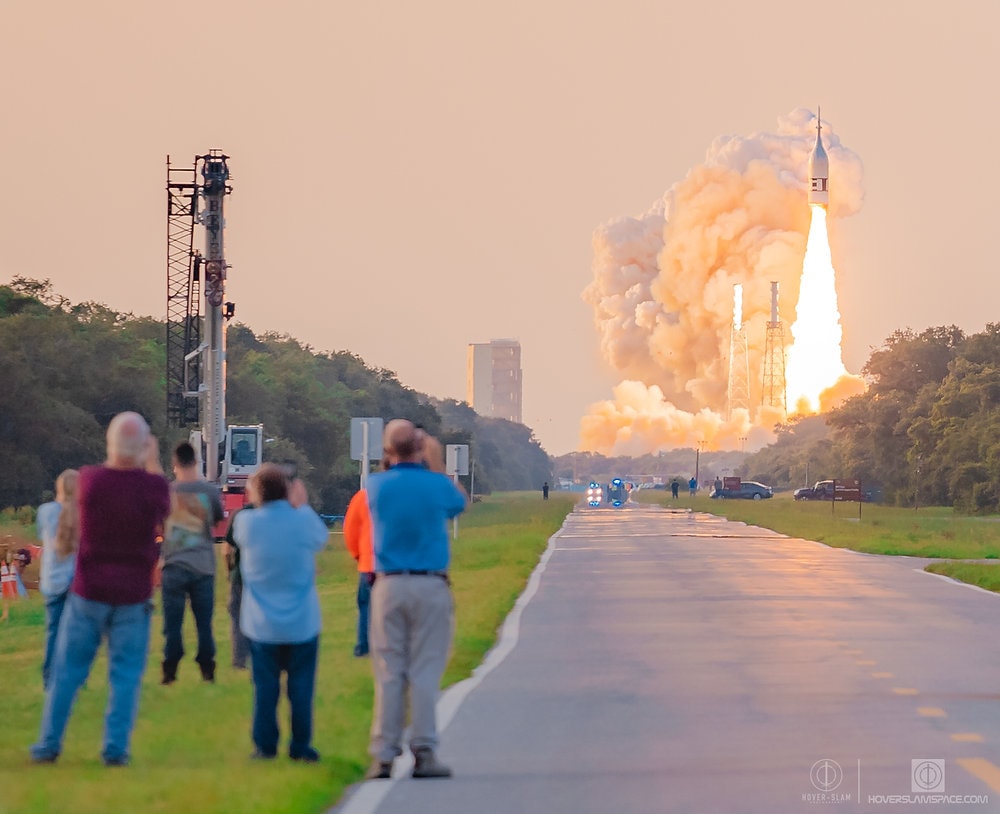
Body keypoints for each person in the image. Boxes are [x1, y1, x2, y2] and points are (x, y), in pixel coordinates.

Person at [30, 411, 170, 766]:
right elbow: (165, 512)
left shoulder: (90, 480)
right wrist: (151, 461)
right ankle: (115, 749)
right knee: (124, 676)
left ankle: (48, 745)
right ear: (141, 446)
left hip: (88, 591)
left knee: (68, 672)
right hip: (133, 594)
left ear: (109, 444)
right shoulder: (152, 486)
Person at [365, 420, 467, 781]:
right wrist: (436, 463)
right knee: (424, 670)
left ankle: (384, 755)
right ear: (420, 448)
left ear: (388, 451)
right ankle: (423, 750)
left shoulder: (375, 485)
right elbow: (459, 503)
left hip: (389, 584)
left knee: (391, 672)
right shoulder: (436, 485)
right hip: (430, 584)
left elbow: (387, 472)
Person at [233, 464, 329, 762]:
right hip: (302, 621)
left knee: (265, 688)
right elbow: (321, 539)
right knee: (301, 690)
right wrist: (301, 503)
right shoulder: (303, 521)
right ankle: (300, 745)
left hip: (262, 624)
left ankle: (265, 746)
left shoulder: (246, 523)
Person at [159, 441, 224, 684]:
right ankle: (207, 669)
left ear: (175, 465)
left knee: (172, 624)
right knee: (204, 623)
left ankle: (170, 670)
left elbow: (159, 522)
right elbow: (217, 520)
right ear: (196, 463)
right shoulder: (209, 492)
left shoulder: (167, 492)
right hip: (203, 566)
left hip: (174, 564)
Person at [37, 469, 81, 689]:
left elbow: (41, 537)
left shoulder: (45, 512)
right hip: (75, 581)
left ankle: (49, 676)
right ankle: (73, 677)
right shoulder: (82, 514)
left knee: (53, 631)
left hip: (51, 580)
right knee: (75, 632)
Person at [223, 475, 258, 671]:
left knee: (238, 620)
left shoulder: (239, 516)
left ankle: (239, 661)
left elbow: (226, 550)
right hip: (265, 578)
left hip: (241, 576)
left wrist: (230, 571)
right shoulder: (273, 515)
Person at [343, 484, 377, 659]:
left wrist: (358, 554)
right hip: (400, 565)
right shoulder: (410, 494)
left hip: (369, 564)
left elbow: (350, 530)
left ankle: (364, 646)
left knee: (366, 606)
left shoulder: (363, 496)